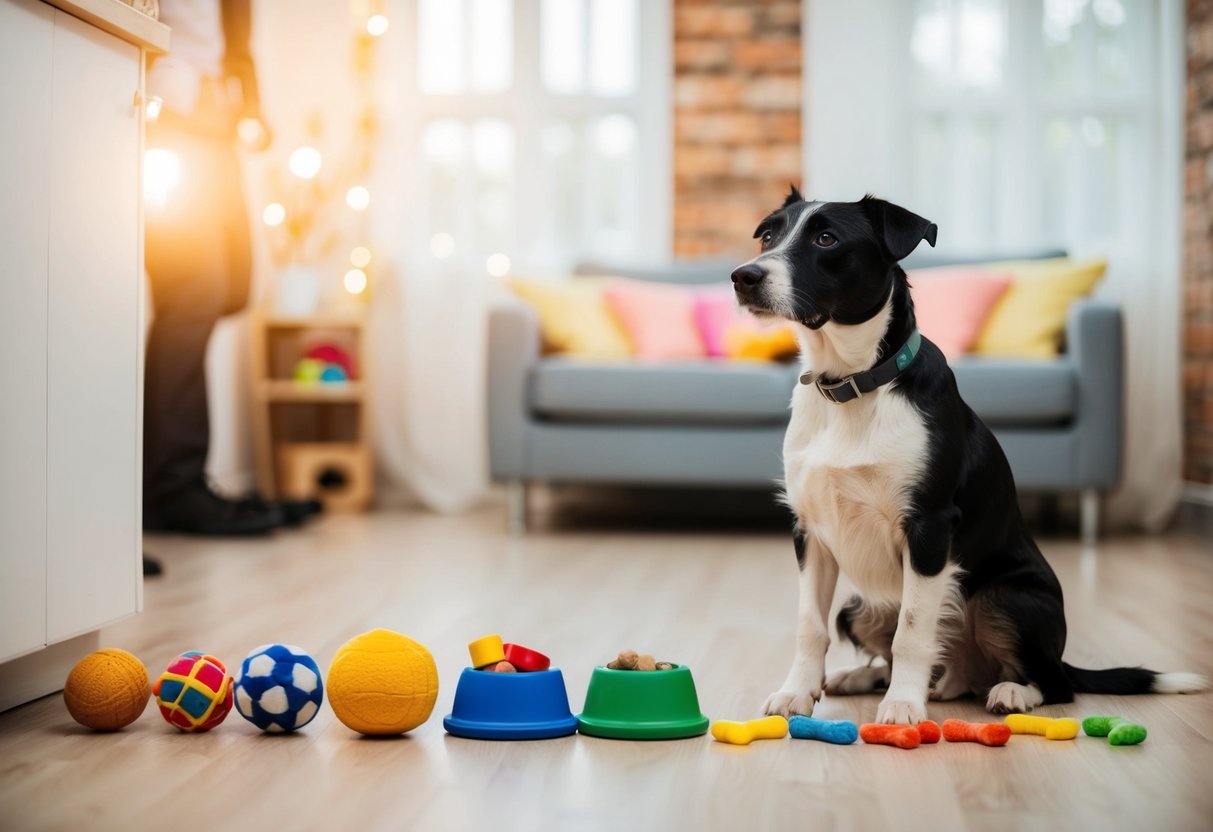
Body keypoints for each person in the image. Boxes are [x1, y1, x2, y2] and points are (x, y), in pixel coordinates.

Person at [143, 0, 319, 538]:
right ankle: (173, 488)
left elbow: (231, 34)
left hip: (216, 132)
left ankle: (177, 482)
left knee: (234, 288)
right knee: (193, 294)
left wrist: (249, 103)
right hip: (172, 123)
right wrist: (187, 98)